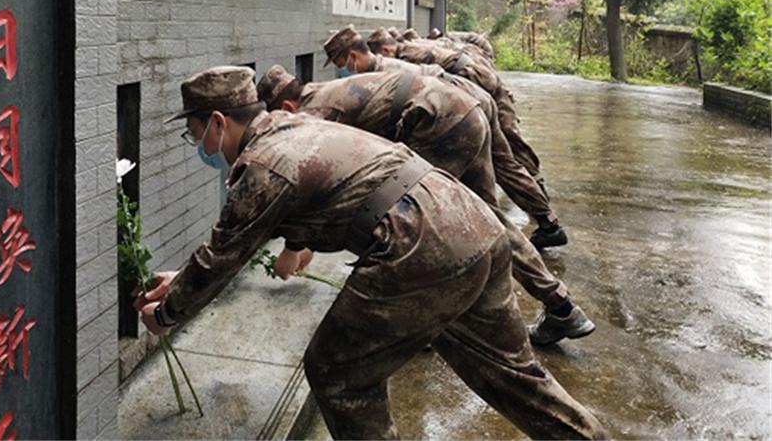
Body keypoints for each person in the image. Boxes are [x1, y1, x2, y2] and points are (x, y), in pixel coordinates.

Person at [138, 66, 606, 440]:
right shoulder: (295, 125)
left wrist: (169, 312)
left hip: (422, 246)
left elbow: (222, 255)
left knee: (337, 371)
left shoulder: (262, 166)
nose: (199, 146)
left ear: (219, 123)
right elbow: (236, 246)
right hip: (473, 226)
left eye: (196, 134)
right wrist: (180, 281)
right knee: (518, 380)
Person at [256, 64, 595, 345]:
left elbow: (317, 182)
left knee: (418, 221)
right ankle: (561, 307)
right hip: (462, 109)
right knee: (488, 218)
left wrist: (295, 245)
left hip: (437, 122)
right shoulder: (322, 92)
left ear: (285, 108)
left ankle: (421, 326)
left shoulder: (314, 114)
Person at [326, 26, 566, 251]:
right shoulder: (390, 65)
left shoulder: (384, 75)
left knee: (436, 186)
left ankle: (479, 244)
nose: (343, 70)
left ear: (354, 56)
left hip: (465, 108)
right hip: (476, 99)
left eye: (341, 63)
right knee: (504, 167)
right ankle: (547, 223)